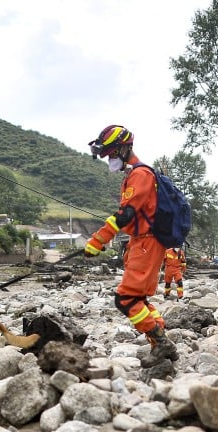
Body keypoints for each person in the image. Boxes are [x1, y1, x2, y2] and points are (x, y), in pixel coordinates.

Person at [84, 124, 177, 367]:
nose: (110, 159)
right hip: (142, 243)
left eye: (113, 153)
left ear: (125, 148)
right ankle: (161, 343)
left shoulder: (140, 174)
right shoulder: (133, 174)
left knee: (125, 300)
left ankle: (161, 342)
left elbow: (125, 214)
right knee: (140, 300)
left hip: (147, 243)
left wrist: (98, 240)